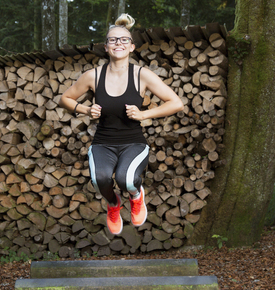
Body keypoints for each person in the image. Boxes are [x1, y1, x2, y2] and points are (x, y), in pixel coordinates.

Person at [59, 14, 184, 235]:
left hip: (133, 143)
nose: (118, 43)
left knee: (127, 178)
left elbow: (176, 103)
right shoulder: (93, 76)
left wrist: (145, 114)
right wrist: (85, 110)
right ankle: (114, 204)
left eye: (124, 40)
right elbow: (65, 99)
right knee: (101, 180)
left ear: (132, 46)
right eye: (113, 40)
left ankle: (136, 197)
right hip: (103, 143)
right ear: (106, 47)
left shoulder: (142, 75)